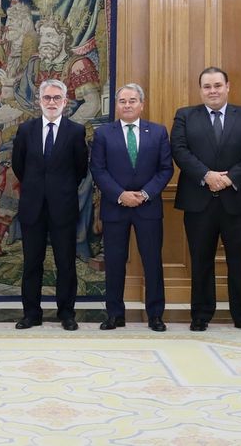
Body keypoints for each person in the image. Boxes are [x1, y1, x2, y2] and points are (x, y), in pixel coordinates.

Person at [171, 66, 241, 332]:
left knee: (239, 261)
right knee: (200, 261)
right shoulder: (185, 116)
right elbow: (179, 150)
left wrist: (229, 177)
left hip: (237, 200)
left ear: (227, 86)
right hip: (198, 201)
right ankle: (201, 315)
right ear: (200, 89)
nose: (212, 91)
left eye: (217, 85)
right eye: (207, 86)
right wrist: (207, 175)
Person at [90, 83, 174, 332]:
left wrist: (145, 194)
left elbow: (165, 169)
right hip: (116, 207)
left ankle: (155, 315)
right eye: (123, 101)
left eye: (132, 100)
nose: (127, 105)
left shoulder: (158, 132)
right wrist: (120, 195)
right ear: (116, 105)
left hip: (148, 208)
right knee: (114, 262)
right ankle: (115, 314)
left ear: (142, 104)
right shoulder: (104, 133)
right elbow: (98, 169)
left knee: (152, 262)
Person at [11, 79, 88, 331]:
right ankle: (31, 314)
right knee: (32, 263)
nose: (52, 102)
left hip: (63, 207)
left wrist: (59, 189)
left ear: (65, 102)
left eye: (57, 98)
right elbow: (18, 166)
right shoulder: (26, 130)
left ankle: (66, 313)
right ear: (40, 101)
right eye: (47, 98)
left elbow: (80, 169)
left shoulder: (76, 131)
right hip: (33, 206)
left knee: (65, 263)